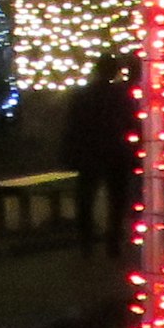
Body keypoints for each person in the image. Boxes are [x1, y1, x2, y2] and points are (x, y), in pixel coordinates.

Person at [62, 48, 144, 260]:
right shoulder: (122, 95)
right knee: (116, 199)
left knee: (86, 198)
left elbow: (72, 126)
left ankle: (86, 244)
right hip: (116, 152)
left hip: (90, 152)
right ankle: (113, 243)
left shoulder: (83, 95)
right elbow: (131, 123)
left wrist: (71, 152)